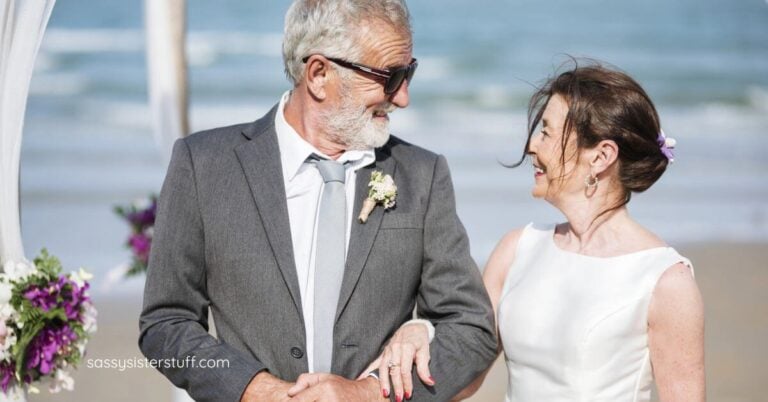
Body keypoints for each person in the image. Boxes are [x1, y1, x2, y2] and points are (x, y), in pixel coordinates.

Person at [138, 1, 497, 401]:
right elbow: (166, 322)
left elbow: (471, 328)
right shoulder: (204, 165)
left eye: (409, 73)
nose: (403, 97)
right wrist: (256, 390)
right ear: (319, 74)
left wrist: (367, 394)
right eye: (391, 76)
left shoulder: (421, 175)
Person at [366, 62, 706, 401]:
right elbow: (463, 375)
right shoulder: (516, 250)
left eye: (546, 131)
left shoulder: (665, 281)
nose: (531, 145)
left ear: (601, 157)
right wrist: (419, 329)